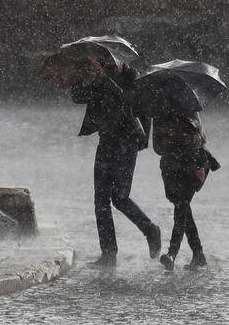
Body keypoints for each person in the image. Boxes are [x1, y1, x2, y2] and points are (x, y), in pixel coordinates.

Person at [69, 59, 161, 267]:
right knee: (100, 200)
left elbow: (136, 106)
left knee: (120, 197)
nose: (108, 65)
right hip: (106, 142)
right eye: (104, 63)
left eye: (111, 62)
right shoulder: (99, 80)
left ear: (121, 61)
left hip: (126, 144)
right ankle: (108, 253)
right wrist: (84, 76)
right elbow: (78, 97)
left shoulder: (132, 78)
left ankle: (150, 230)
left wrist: (108, 83)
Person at [152, 112, 220, 271]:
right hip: (172, 169)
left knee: (181, 207)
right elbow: (158, 147)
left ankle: (172, 253)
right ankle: (198, 254)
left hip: (192, 167)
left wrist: (185, 133)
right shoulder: (159, 114)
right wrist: (172, 138)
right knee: (183, 209)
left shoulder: (189, 108)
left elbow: (201, 139)